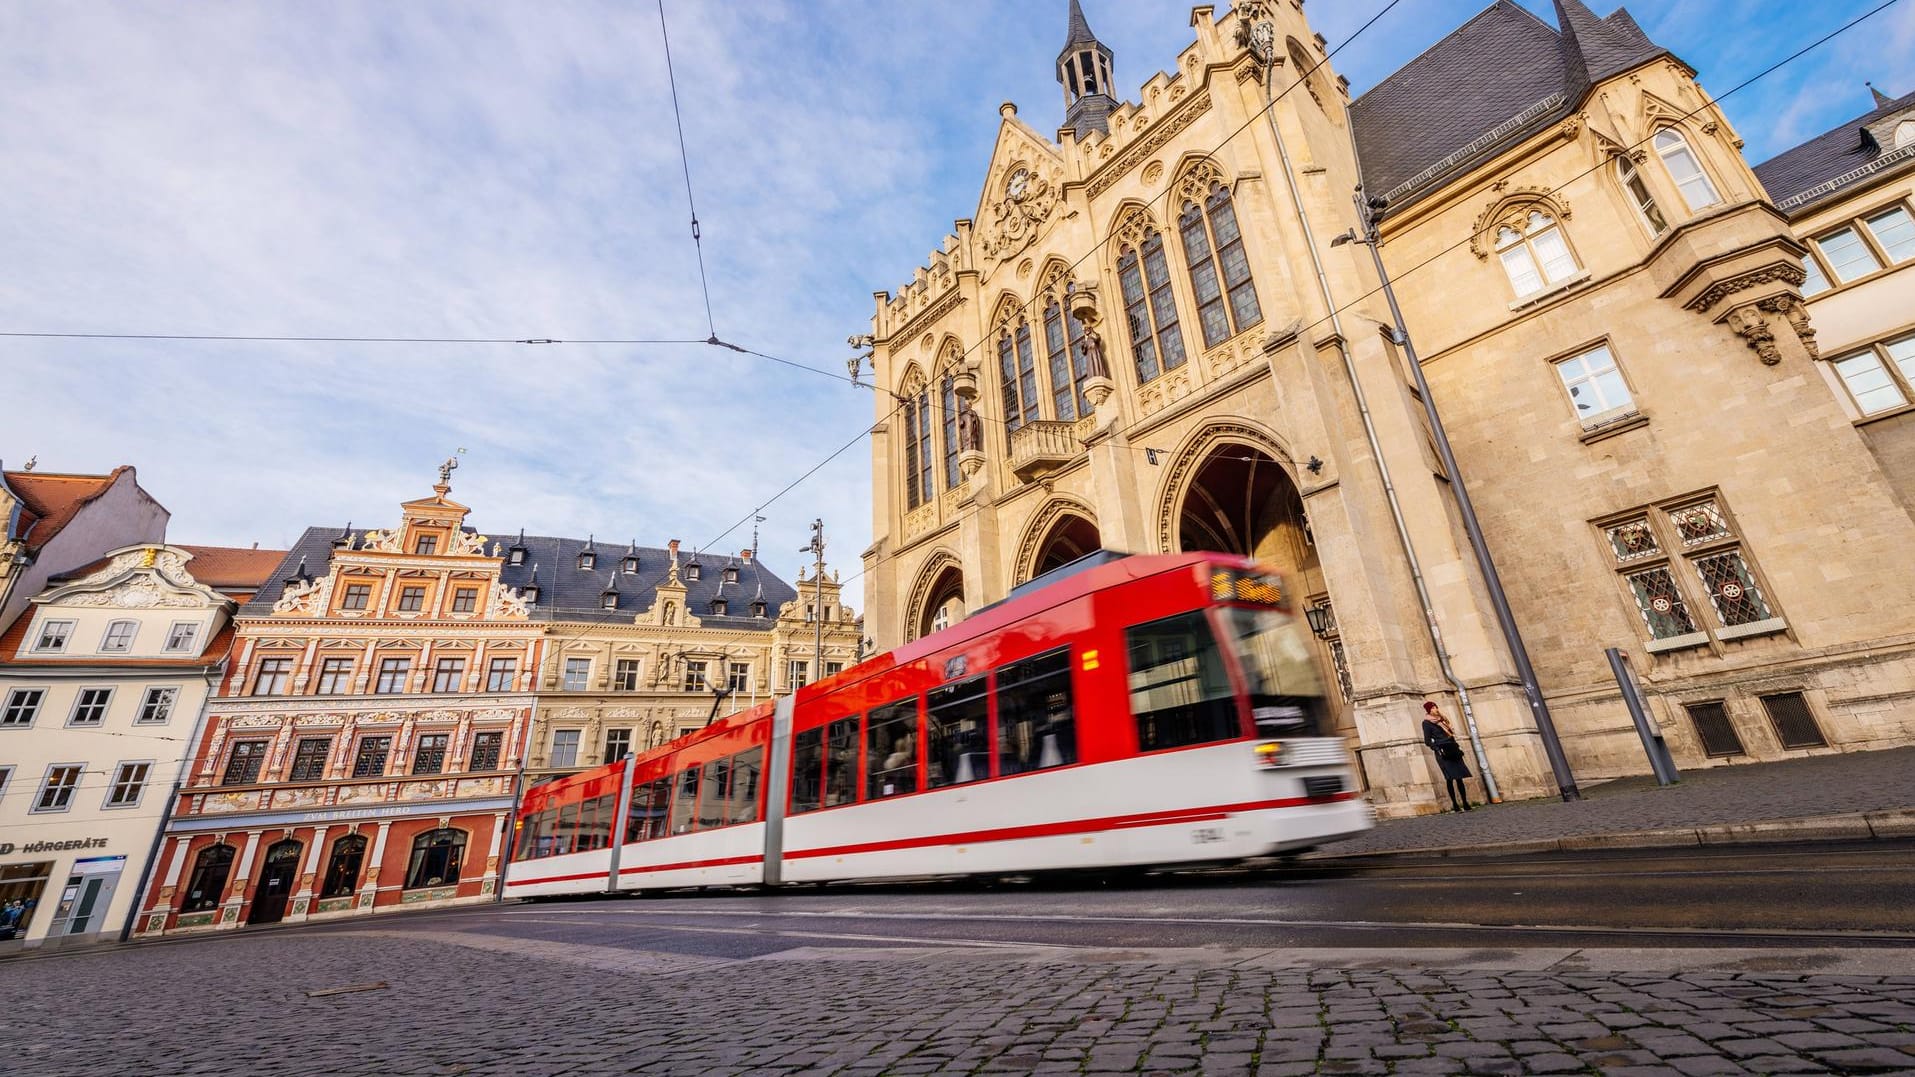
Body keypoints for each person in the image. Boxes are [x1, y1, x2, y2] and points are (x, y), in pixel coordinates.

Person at [1421, 701, 1474, 812]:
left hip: (1453, 749)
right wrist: (1437, 748)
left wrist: (1457, 747)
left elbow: (1451, 734)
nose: (1436, 709)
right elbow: (1427, 741)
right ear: (1429, 710)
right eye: (1434, 708)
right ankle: (1455, 804)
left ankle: (1465, 803)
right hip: (1443, 752)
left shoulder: (1442, 720)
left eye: (1436, 707)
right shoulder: (1427, 723)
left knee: (1459, 778)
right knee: (1449, 778)